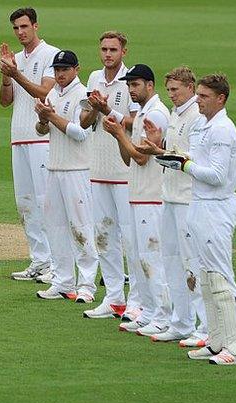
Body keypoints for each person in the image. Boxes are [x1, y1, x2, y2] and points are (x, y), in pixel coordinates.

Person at [148, 74, 236, 365]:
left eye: (205, 96)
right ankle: (216, 342)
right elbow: (196, 161)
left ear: (221, 99)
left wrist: (185, 164)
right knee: (205, 276)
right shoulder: (204, 125)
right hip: (199, 204)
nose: (199, 100)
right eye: (200, 95)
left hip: (217, 207)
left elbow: (216, 176)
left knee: (220, 277)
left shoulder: (223, 129)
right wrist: (173, 156)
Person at [134, 66, 206, 343]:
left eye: (176, 90)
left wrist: (157, 150)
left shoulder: (197, 117)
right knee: (172, 262)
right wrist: (158, 144)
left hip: (188, 199)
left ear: (190, 86)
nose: (172, 95)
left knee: (191, 264)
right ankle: (181, 323)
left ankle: (204, 328)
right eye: (170, 90)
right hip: (170, 196)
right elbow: (171, 153)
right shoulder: (176, 114)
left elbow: (190, 160)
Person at [102, 64, 170, 336]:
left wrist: (120, 133)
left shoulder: (155, 114)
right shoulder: (142, 113)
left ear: (150, 85)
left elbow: (142, 158)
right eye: (129, 85)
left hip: (152, 197)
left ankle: (163, 316)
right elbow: (128, 157)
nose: (131, 90)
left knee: (152, 258)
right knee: (141, 257)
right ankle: (150, 312)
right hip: (139, 194)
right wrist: (119, 136)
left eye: (136, 84)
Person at [78, 31, 140, 319]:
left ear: (124, 52)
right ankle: (114, 298)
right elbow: (84, 120)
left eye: (113, 49)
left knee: (131, 238)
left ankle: (138, 302)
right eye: (103, 49)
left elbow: (138, 122)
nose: (107, 54)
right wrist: (94, 108)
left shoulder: (133, 82)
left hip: (125, 170)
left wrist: (108, 109)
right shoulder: (93, 78)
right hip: (98, 168)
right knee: (103, 236)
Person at [0, 7, 60, 282]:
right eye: (15, 28)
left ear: (35, 25)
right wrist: (5, 76)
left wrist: (17, 73)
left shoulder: (51, 55)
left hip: (42, 138)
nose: (20, 32)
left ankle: (57, 263)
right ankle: (39, 259)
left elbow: (45, 93)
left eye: (24, 26)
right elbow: (4, 101)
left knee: (46, 202)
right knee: (25, 203)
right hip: (18, 136)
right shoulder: (16, 58)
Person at [31, 51, 98, 302]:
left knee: (81, 227)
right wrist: (42, 118)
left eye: (65, 69)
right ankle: (62, 282)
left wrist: (51, 117)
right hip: (55, 168)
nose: (60, 74)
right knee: (56, 226)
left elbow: (80, 133)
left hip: (77, 171)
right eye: (57, 70)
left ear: (76, 69)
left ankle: (87, 286)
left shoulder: (83, 95)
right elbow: (41, 131)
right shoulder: (52, 94)